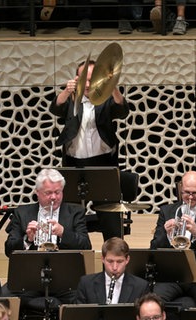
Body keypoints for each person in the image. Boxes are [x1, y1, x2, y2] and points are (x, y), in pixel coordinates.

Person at [50, 59, 131, 241]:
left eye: (92, 79)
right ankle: (74, 258)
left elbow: (122, 110)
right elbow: (56, 108)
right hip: (74, 165)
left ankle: (114, 261)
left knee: (110, 217)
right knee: (70, 217)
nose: (88, 84)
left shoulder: (107, 98)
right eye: (83, 79)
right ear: (76, 79)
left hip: (103, 164)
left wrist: (114, 88)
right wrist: (66, 91)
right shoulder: (72, 99)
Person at [3, 168, 91, 306]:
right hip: (30, 278)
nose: (54, 197)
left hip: (65, 280)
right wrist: (28, 240)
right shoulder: (22, 212)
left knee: (85, 296)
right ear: (37, 193)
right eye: (48, 193)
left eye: (58, 192)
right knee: (4, 296)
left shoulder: (75, 212)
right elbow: (9, 250)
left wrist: (63, 233)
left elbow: (86, 245)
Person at [150, 170, 196, 308]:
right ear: (180, 188)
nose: (190, 197)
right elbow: (154, 248)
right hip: (172, 275)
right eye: (186, 192)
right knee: (155, 305)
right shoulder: (166, 211)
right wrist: (166, 234)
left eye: (195, 193)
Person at [76, 237, 148, 304]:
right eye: (110, 261)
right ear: (103, 259)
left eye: (119, 262)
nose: (114, 267)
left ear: (127, 260)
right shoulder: (86, 283)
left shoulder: (141, 287)